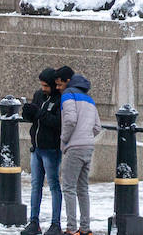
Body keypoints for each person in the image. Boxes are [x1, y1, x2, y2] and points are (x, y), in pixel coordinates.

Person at [20, 67, 63, 235]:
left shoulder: (60, 99)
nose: (43, 89)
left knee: (53, 185)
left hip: (51, 149)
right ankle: (34, 221)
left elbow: (57, 123)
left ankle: (55, 223)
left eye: (46, 86)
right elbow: (36, 118)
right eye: (42, 85)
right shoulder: (39, 95)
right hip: (36, 148)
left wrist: (38, 113)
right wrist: (29, 113)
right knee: (35, 186)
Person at [59, 69, 101, 235]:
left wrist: (64, 139)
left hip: (74, 147)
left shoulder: (68, 95)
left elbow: (70, 120)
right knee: (82, 189)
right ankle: (85, 228)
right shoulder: (90, 100)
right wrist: (86, 136)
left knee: (68, 187)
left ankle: (71, 228)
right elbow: (97, 127)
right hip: (88, 146)